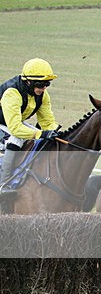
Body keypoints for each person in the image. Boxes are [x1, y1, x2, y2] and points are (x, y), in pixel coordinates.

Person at [0, 58, 61, 197]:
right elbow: (15, 129)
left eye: (47, 84)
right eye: (40, 84)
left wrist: (57, 134)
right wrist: (41, 134)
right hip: (8, 125)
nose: (44, 88)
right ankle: (3, 184)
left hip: (8, 123)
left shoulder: (42, 95)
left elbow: (47, 122)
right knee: (16, 139)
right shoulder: (12, 93)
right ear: (28, 81)